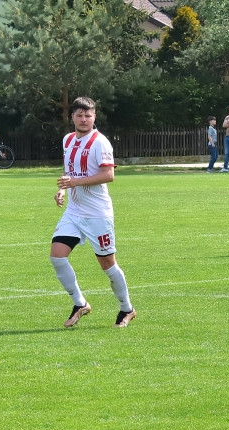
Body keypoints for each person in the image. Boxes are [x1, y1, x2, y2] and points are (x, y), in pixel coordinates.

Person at [51, 97, 135, 328]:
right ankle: (80, 303)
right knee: (57, 255)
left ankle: (127, 308)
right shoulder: (68, 140)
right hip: (74, 212)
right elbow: (69, 171)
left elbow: (109, 175)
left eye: (88, 115)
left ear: (94, 117)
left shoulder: (100, 143)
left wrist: (75, 182)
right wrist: (62, 190)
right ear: (73, 117)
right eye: (80, 115)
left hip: (98, 215)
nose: (84, 119)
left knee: (108, 264)